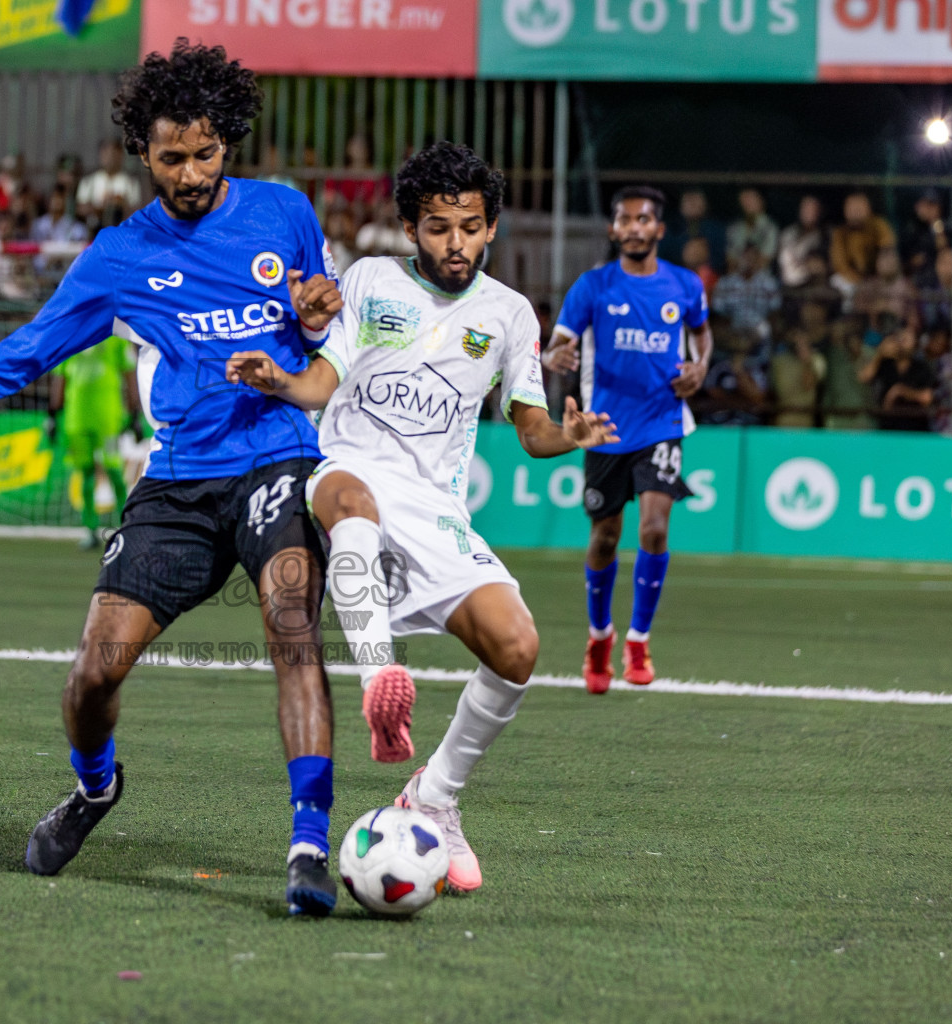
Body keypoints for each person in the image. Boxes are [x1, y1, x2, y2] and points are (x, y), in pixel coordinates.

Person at [0, 42, 347, 916]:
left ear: (230, 143)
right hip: (178, 482)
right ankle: (96, 788)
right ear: (142, 151)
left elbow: (322, 317)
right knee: (92, 677)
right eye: (171, 156)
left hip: (278, 456)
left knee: (292, 623)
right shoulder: (117, 257)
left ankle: (308, 844)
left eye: (206, 153)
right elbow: (20, 356)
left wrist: (320, 312)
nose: (190, 173)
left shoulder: (284, 213)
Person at [224, 142, 618, 893]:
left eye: (469, 226)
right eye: (438, 227)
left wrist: (569, 436)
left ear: (493, 226)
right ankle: (381, 681)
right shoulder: (369, 281)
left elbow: (530, 428)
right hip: (345, 464)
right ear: (410, 227)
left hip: (435, 505)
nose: (455, 243)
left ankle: (435, 796)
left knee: (518, 645)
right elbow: (321, 383)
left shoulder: (508, 315)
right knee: (349, 499)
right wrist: (280, 379)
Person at [541, 185, 712, 693]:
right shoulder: (593, 287)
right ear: (614, 229)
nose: (635, 227)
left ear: (659, 229)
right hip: (604, 429)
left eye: (644, 219)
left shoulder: (684, 285)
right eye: (626, 219)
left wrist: (700, 368)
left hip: (663, 421)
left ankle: (639, 639)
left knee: (655, 530)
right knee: (605, 538)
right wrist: (557, 358)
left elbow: (702, 333)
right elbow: (558, 344)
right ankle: (600, 638)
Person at [50, 334, 134, 549]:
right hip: (76, 418)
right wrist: (51, 413)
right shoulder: (70, 337)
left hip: (108, 418)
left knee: (114, 469)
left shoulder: (117, 338)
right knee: (85, 473)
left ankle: (128, 527)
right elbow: (60, 377)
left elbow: (129, 373)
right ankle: (90, 529)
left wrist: (134, 413)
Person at [862, 326, 935, 432]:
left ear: (915, 344)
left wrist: (901, 391)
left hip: (914, 429)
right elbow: (864, 377)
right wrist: (880, 354)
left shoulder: (922, 367)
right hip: (888, 428)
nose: (902, 343)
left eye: (907, 339)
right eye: (900, 338)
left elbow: (927, 397)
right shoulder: (886, 364)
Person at [830, 192, 895, 291]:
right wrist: (860, 282)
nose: (855, 212)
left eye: (859, 207)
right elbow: (840, 265)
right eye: (851, 208)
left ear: (868, 208)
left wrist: (879, 277)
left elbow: (887, 251)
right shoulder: (840, 233)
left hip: (878, 279)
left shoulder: (879, 225)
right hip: (854, 281)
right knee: (836, 281)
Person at [76, 139, 142, 230]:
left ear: (121, 156)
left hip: (121, 229)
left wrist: (120, 204)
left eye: (114, 154)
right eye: (106, 154)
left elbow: (136, 209)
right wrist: (99, 208)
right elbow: (80, 208)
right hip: (94, 229)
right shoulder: (89, 181)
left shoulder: (130, 182)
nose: (110, 158)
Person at [778, 195, 828, 289]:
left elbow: (822, 266)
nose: (808, 212)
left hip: (811, 287)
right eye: (805, 208)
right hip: (785, 286)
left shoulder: (824, 236)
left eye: (812, 209)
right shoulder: (788, 233)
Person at [726, 188, 779, 267]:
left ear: (761, 201)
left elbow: (765, 259)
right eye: (745, 200)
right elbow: (730, 259)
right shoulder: (734, 228)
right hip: (736, 275)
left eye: (751, 199)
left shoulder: (770, 228)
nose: (748, 203)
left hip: (762, 276)